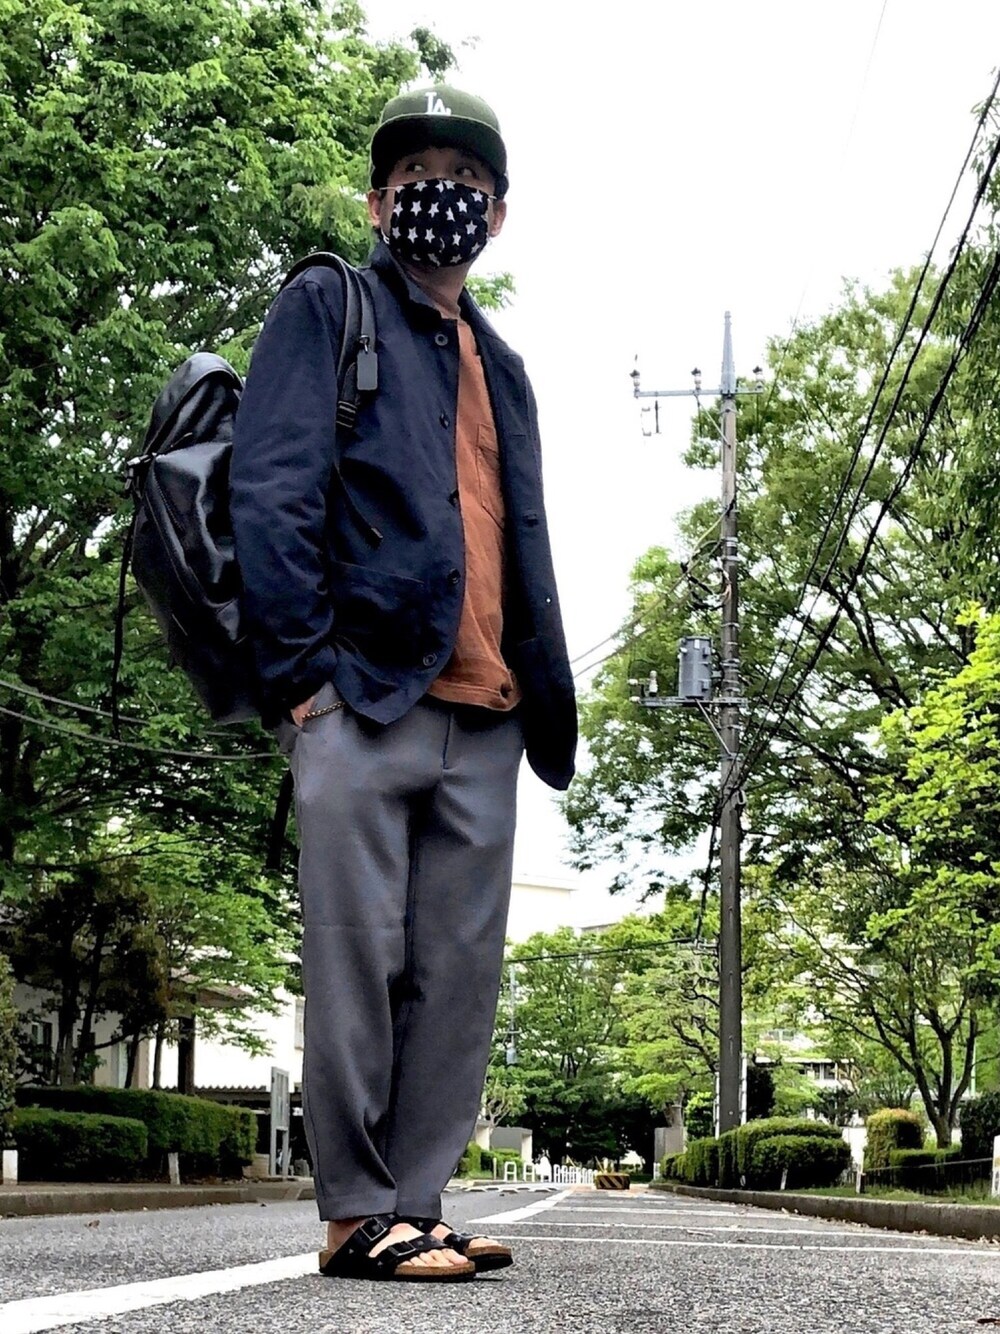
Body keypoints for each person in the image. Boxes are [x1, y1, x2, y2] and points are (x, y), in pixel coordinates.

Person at [230, 84, 576, 1283]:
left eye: (467, 178)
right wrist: (301, 677)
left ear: (498, 213)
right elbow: (271, 488)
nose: (444, 194)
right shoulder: (329, 304)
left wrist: (537, 688)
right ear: (379, 201)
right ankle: (353, 1211)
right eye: (419, 174)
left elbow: (516, 531)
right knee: (356, 959)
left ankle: (414, 1203)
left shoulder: (503, 364)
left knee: (458, 976)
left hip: (488, 711)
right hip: (361, 694)